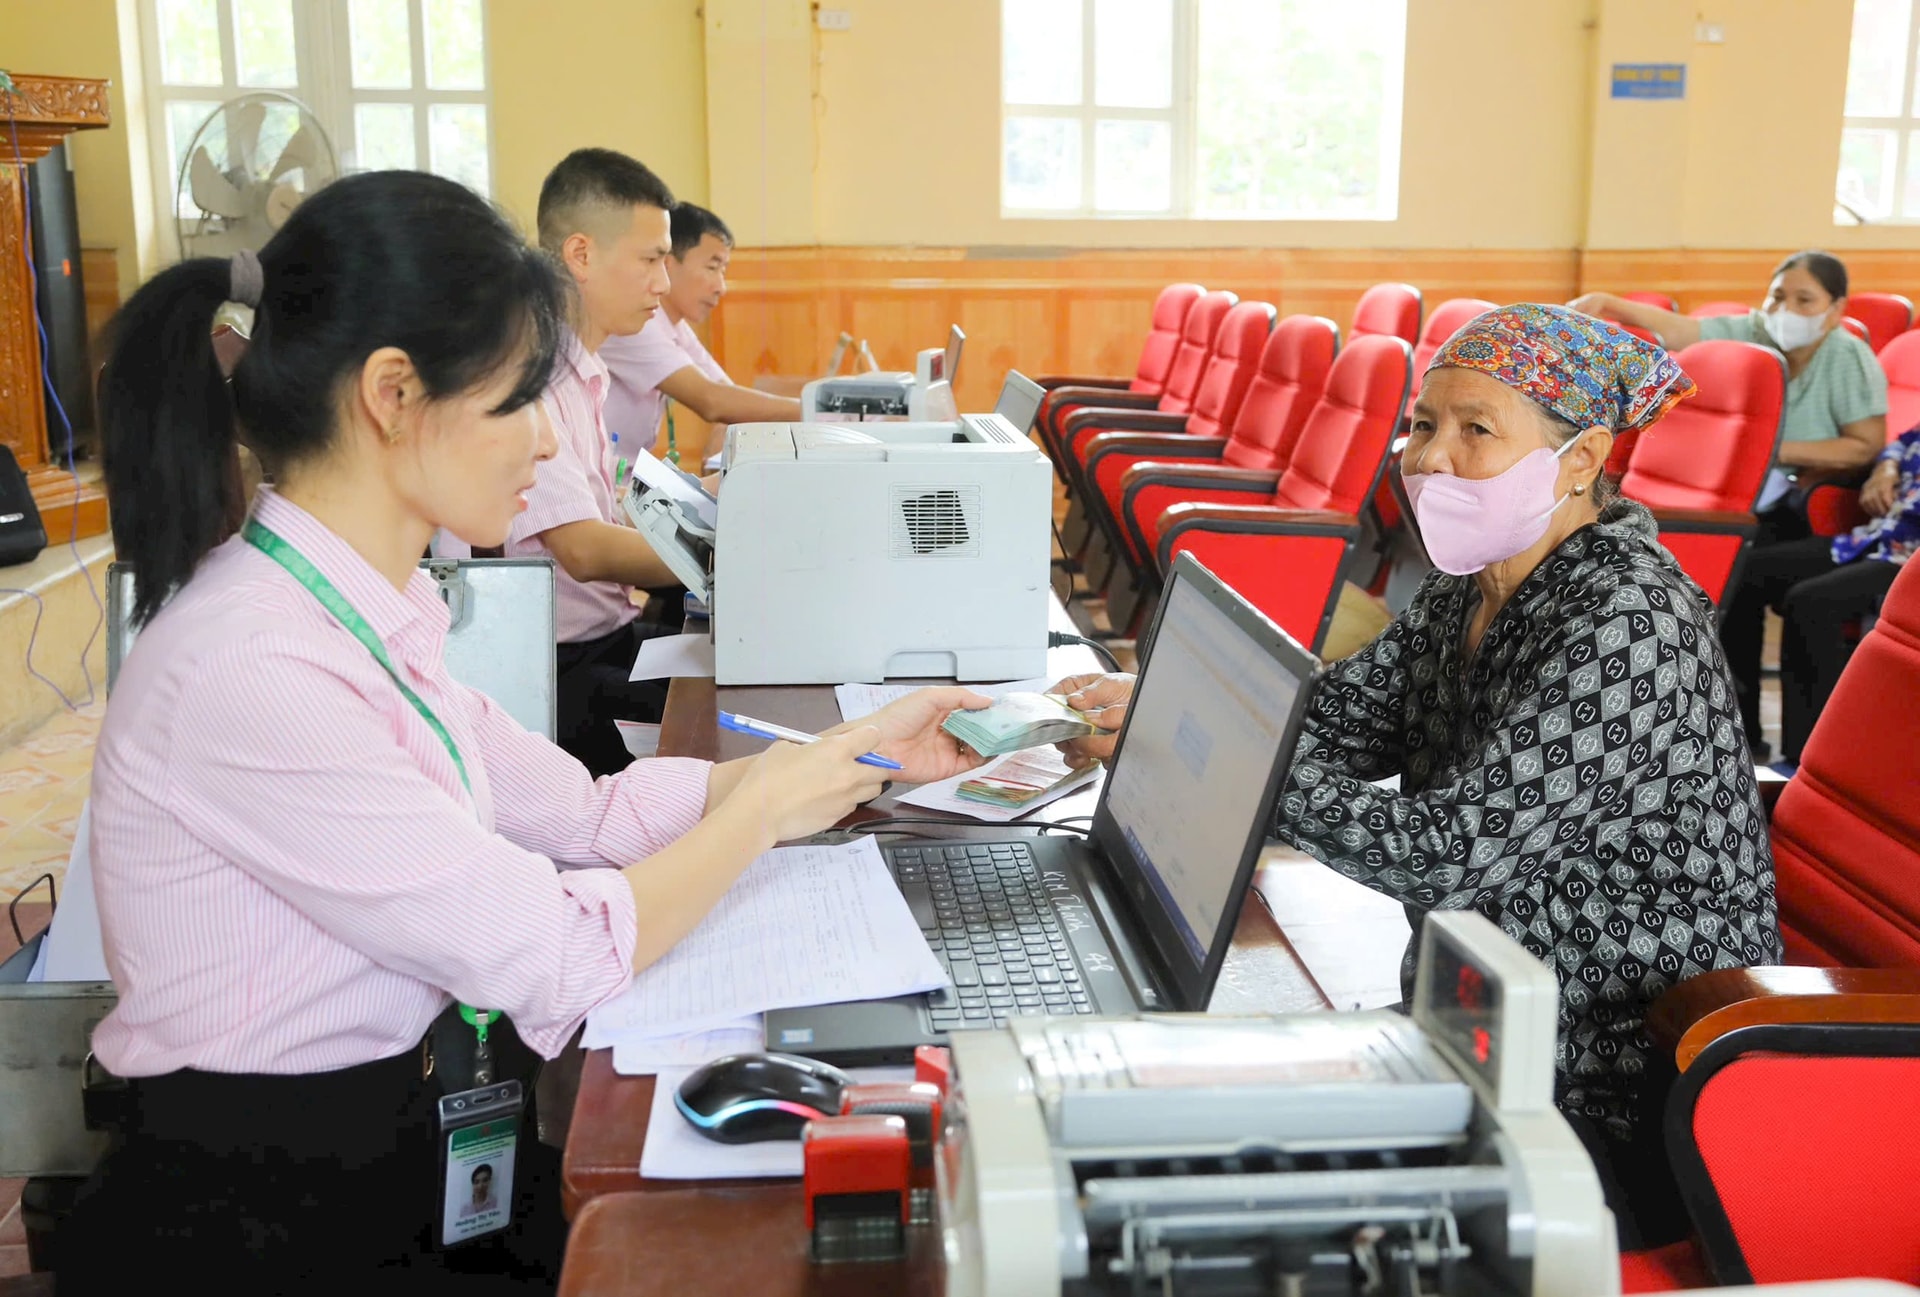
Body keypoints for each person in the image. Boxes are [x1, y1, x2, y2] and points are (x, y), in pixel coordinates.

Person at [63, 169, 986, 1293]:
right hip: (268, 1215)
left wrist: (852, 758)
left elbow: (588, 816)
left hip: (393, 1132)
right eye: (517, 403)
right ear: (393, 394)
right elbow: (552, 950)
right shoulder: (252, 666)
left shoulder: (361, 612)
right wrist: (770, 813)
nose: (547, 448)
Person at [1051, 305, 1780, 1248]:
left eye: (1476, 429)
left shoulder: (1632, 621)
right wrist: (1167, 707)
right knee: (1158, 1119)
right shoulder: (1467, 585)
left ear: (1580, 461)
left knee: (1213, 1202)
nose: (1430, 457)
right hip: (1474, 1024)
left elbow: (1447, 855)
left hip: (1607, 1089)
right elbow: (1333, 723)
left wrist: (1237, 765)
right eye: (1422, 424)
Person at [1571, 252, 1889, 759]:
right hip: (1761, 502)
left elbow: (1866, 444)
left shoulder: (1847, 356)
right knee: (1737, 570)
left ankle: (1764, 737)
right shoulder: (1757, 331)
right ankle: (1745, 734)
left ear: (1834, 309)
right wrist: (1610, 303)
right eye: (1778, 295)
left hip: (1815, 509)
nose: (1785, 308)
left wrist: (1777, 448)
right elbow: (1682, 332)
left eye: (1804, 300)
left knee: (1741, 572)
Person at [513, 149, 694, 776]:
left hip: (608, 639)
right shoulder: (533, 379)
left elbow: (609, 505)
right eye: (650, 259)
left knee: (732, 670)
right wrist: (731, 552)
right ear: (581, 254)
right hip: (563, 673)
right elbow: (586, 549)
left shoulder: (583, 368)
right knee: (730, 723)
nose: (664, 283)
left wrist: (710, 513)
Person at [1721, 426, 1920, 765]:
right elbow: (1901, 444)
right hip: (1870, 540)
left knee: (1811, 601)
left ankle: (1809, 759)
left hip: (1908, 564)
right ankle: (1745, 737)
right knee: (1746, 570)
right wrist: (1886, 468)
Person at [599, 201, 801, 467]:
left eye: (724, 271)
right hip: (603, 488)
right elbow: (711, 400)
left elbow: (725, 394)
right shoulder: (634, 322)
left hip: (627, 479)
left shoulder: (674, 325)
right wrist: (819, 411)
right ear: (668, 264)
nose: (721, 287)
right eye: (712, 267)